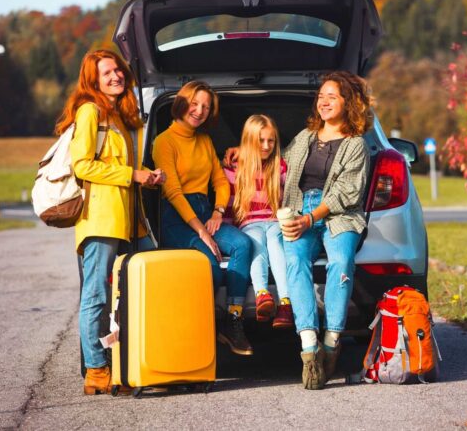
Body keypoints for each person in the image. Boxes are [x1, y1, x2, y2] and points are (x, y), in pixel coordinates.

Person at [225, 71, 372, 389]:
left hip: (339, 216)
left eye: (332, 96)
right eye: (321, 96)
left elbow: (346, 192)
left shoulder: (356, 145)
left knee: (341, 263)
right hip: (297, 210)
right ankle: (309, 349)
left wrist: (311, 218)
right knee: (294, 263)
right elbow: (275, 157)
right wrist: (242, 150)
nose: (324, 101)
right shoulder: (306, 137)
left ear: (348, 102)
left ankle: (332, 342)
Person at [57, 49, 165, 395]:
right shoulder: (90, 112)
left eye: (118, 71)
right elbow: (82, 166)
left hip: (129, 219)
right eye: (107, 73)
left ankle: (138, 357)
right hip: (101, 220)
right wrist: (132, 174)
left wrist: (147, 176)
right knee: (97, 296)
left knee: (145, 285)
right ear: (93, 80)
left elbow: (124, 169)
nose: (116, 76)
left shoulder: (120, 116)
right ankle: (96, 370)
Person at [152, 81, 255, 356]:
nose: (199, 111)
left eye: (206, 107)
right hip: (176, 216)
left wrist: (218, 212)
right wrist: (201, 231)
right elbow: (172, 192)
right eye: (195, 103)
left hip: (205, 210)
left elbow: (221, 182)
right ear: (183, 102)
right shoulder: (164, 141)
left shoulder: (205, 141)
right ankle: (200, 331)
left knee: (243, 245)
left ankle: (233, 322)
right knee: (207, 264)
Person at [222, 115, 294, 329]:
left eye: (271, 141)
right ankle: (262, 294)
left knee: (274, 240)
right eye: (260, 140)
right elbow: (229, 203)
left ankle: (285, 302)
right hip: (249, 223)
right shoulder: (234, 167)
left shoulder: (280, 166)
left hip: (274, 220)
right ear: (249, 141)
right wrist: (226, 233)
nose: (266, 146)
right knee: (254, 241)